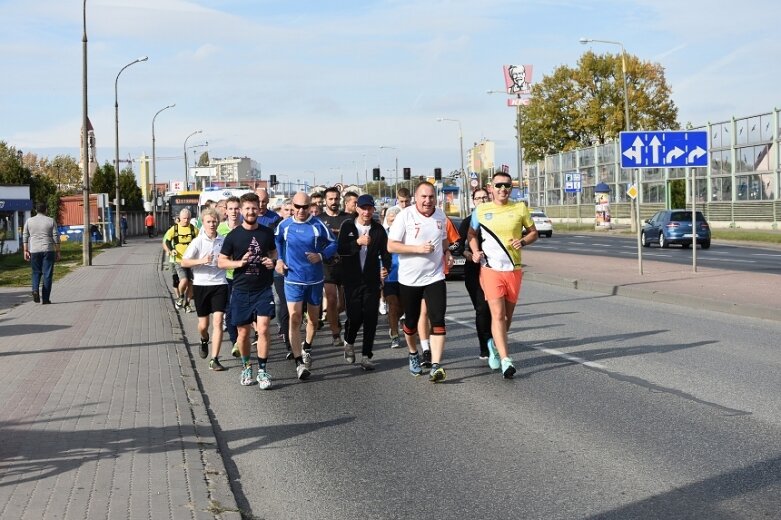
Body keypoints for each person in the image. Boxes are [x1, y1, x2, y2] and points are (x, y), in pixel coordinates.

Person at [467, 172, 538, 379]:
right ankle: (506, 359)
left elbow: (534, 232)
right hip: (490, 269)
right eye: (498, 185)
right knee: (497, 315)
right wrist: (476, 250)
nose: (503, 189)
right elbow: (471, 234)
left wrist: (523, 241)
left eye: (507, 185)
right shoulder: (481, 210)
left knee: (507, 317)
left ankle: (494, 345)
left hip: (513, 269)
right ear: (491, 187)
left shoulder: (520, 208)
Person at [387, 182, 453, 383]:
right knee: (411, 322)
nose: (427, 201)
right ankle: (413, 353)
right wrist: (417, 249)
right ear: (416, 197)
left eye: (431, 197)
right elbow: (391, 246)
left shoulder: (440, 215)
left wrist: (448, 252)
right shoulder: (405, 216)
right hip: (409, 279)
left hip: (435, 277)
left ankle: (436, 365)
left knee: (438, 319)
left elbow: (443, 240)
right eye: (423, 197)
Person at [218, 192, 278, 389]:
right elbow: (221, 262)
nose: (251, 211)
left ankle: (262, 370)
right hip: (242, 290)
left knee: (262, 329)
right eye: (247, 209)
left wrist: (273, 261)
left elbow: (273, 253)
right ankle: (246, 366)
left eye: (254, 208)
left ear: (258, 210)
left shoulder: (267, 233)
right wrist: (239, 262)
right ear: (242, 211)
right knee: (243, 334)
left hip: (263, 289)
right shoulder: (234, 236)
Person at [275, 192, 338, 378]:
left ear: (310, 206)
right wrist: (279, 260)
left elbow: (334, 244)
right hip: (293, 278)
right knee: (295, 317)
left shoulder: (317, 225)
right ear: (292, 206)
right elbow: (277, 240)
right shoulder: (285, 225)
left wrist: (320, 256)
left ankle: (307, 347)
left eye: (305, 207)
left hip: (314, 279)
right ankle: (299, 363)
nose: (301, 210)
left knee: (313, 320)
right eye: (298, 206)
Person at [337, 194, 391, 370]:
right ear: (357, 209)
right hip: (352, 280)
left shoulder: (378, 230)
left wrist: (386, 269)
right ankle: (349, 342)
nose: (366, 212)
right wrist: (358, 242)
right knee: (355, 317)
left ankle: (367, 355)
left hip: (371, 281)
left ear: (373, 210)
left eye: (370, 208)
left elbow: (386, 253)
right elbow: (341, 249)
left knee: (370, 317)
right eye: (363, 208)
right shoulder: (348, 226)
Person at [181, 208, 229, 371]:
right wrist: (201, 260)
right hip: (201, 285)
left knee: (218, 321)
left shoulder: (223, 241)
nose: (212, 224)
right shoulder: (198, 241)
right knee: (203, 325)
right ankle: (204, 339)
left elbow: (230, 258)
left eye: (214, 221)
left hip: (220, 283)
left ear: (218, 222)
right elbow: (184, 262)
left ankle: (214, 359)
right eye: (208, 221)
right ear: (204, 223)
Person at [459, 188, 493, 359]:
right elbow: (458, 247)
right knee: (482, 309)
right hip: (474, 271)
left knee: (496, 310)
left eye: (485, 198)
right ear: (473, 201)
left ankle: (495, 340)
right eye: (478, 198)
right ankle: (485, 347)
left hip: (495, 270)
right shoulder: (467, 223)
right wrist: (470, 255)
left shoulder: (495, 219)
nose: (482, 201)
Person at [318, 187, 352, 346]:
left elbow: (354, 238)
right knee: (330, 299)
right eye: (330, 199)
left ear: (340, 200)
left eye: (336, 199)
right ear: (325, 200)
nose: (333, 202)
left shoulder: (348, 218)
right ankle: (335, 334)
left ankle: (334, 317)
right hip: (327, 265)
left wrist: (339, 232)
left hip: (346, 265)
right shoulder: (318, 220)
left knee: (343, 304)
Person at [217, 196, 242, 356]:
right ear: (225, 211)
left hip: (243, 275)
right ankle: (235, 342)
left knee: (241, 310)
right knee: (230, 310)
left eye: (236, 208)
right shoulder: (219, 229)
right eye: (231, 208)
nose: (234, 212)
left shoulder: (245, 228)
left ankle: (243, 337)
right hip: (224, 276)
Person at [22, 202, 60, 305]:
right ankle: (46, 299)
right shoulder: (51, 221)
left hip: (34, 249)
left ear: (36, 210)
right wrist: (58, 250)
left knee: (36, 272)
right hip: (48, 249)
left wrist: (25, 250)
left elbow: (25, 235)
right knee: (47, 274)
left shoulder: (29, 221)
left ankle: (35, 290)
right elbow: (56, 236)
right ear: (46, 210)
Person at [163, 209, 199, 312]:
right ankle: (181, 297)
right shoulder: (174, 229)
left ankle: (187, 304)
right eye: (184, 218)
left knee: (191, 283)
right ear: (180, 218)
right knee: (184, 280)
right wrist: (172, 250)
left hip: (191, 261)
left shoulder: (194, 229)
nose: (186, 220)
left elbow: (199, 241)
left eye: (188, 218)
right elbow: (167, 241)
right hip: (179, 260)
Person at [382, 206, 403, 348]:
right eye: (391, 220)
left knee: (403, 308)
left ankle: (395, 325)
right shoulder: (383, 235)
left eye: (396, 220)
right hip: (389, 276)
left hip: (406, 276)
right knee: (393, 305)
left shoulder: (407, 234)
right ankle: (395, 335)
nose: (393, 223)